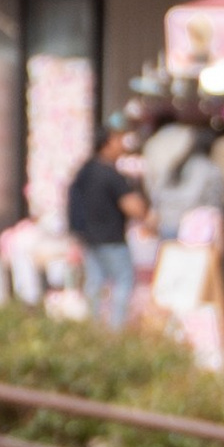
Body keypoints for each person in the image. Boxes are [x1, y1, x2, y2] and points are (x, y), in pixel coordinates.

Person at [65, 125, 147, 329]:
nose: (122, 145)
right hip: (111, 238)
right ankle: (116, 328)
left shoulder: (85, 171)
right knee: (123, 282)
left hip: (89, 238)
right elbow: (134, 207)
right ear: (107, 143)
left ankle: (94, 328)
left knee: (95, 283)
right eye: (118, 140)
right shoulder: (110, 174)